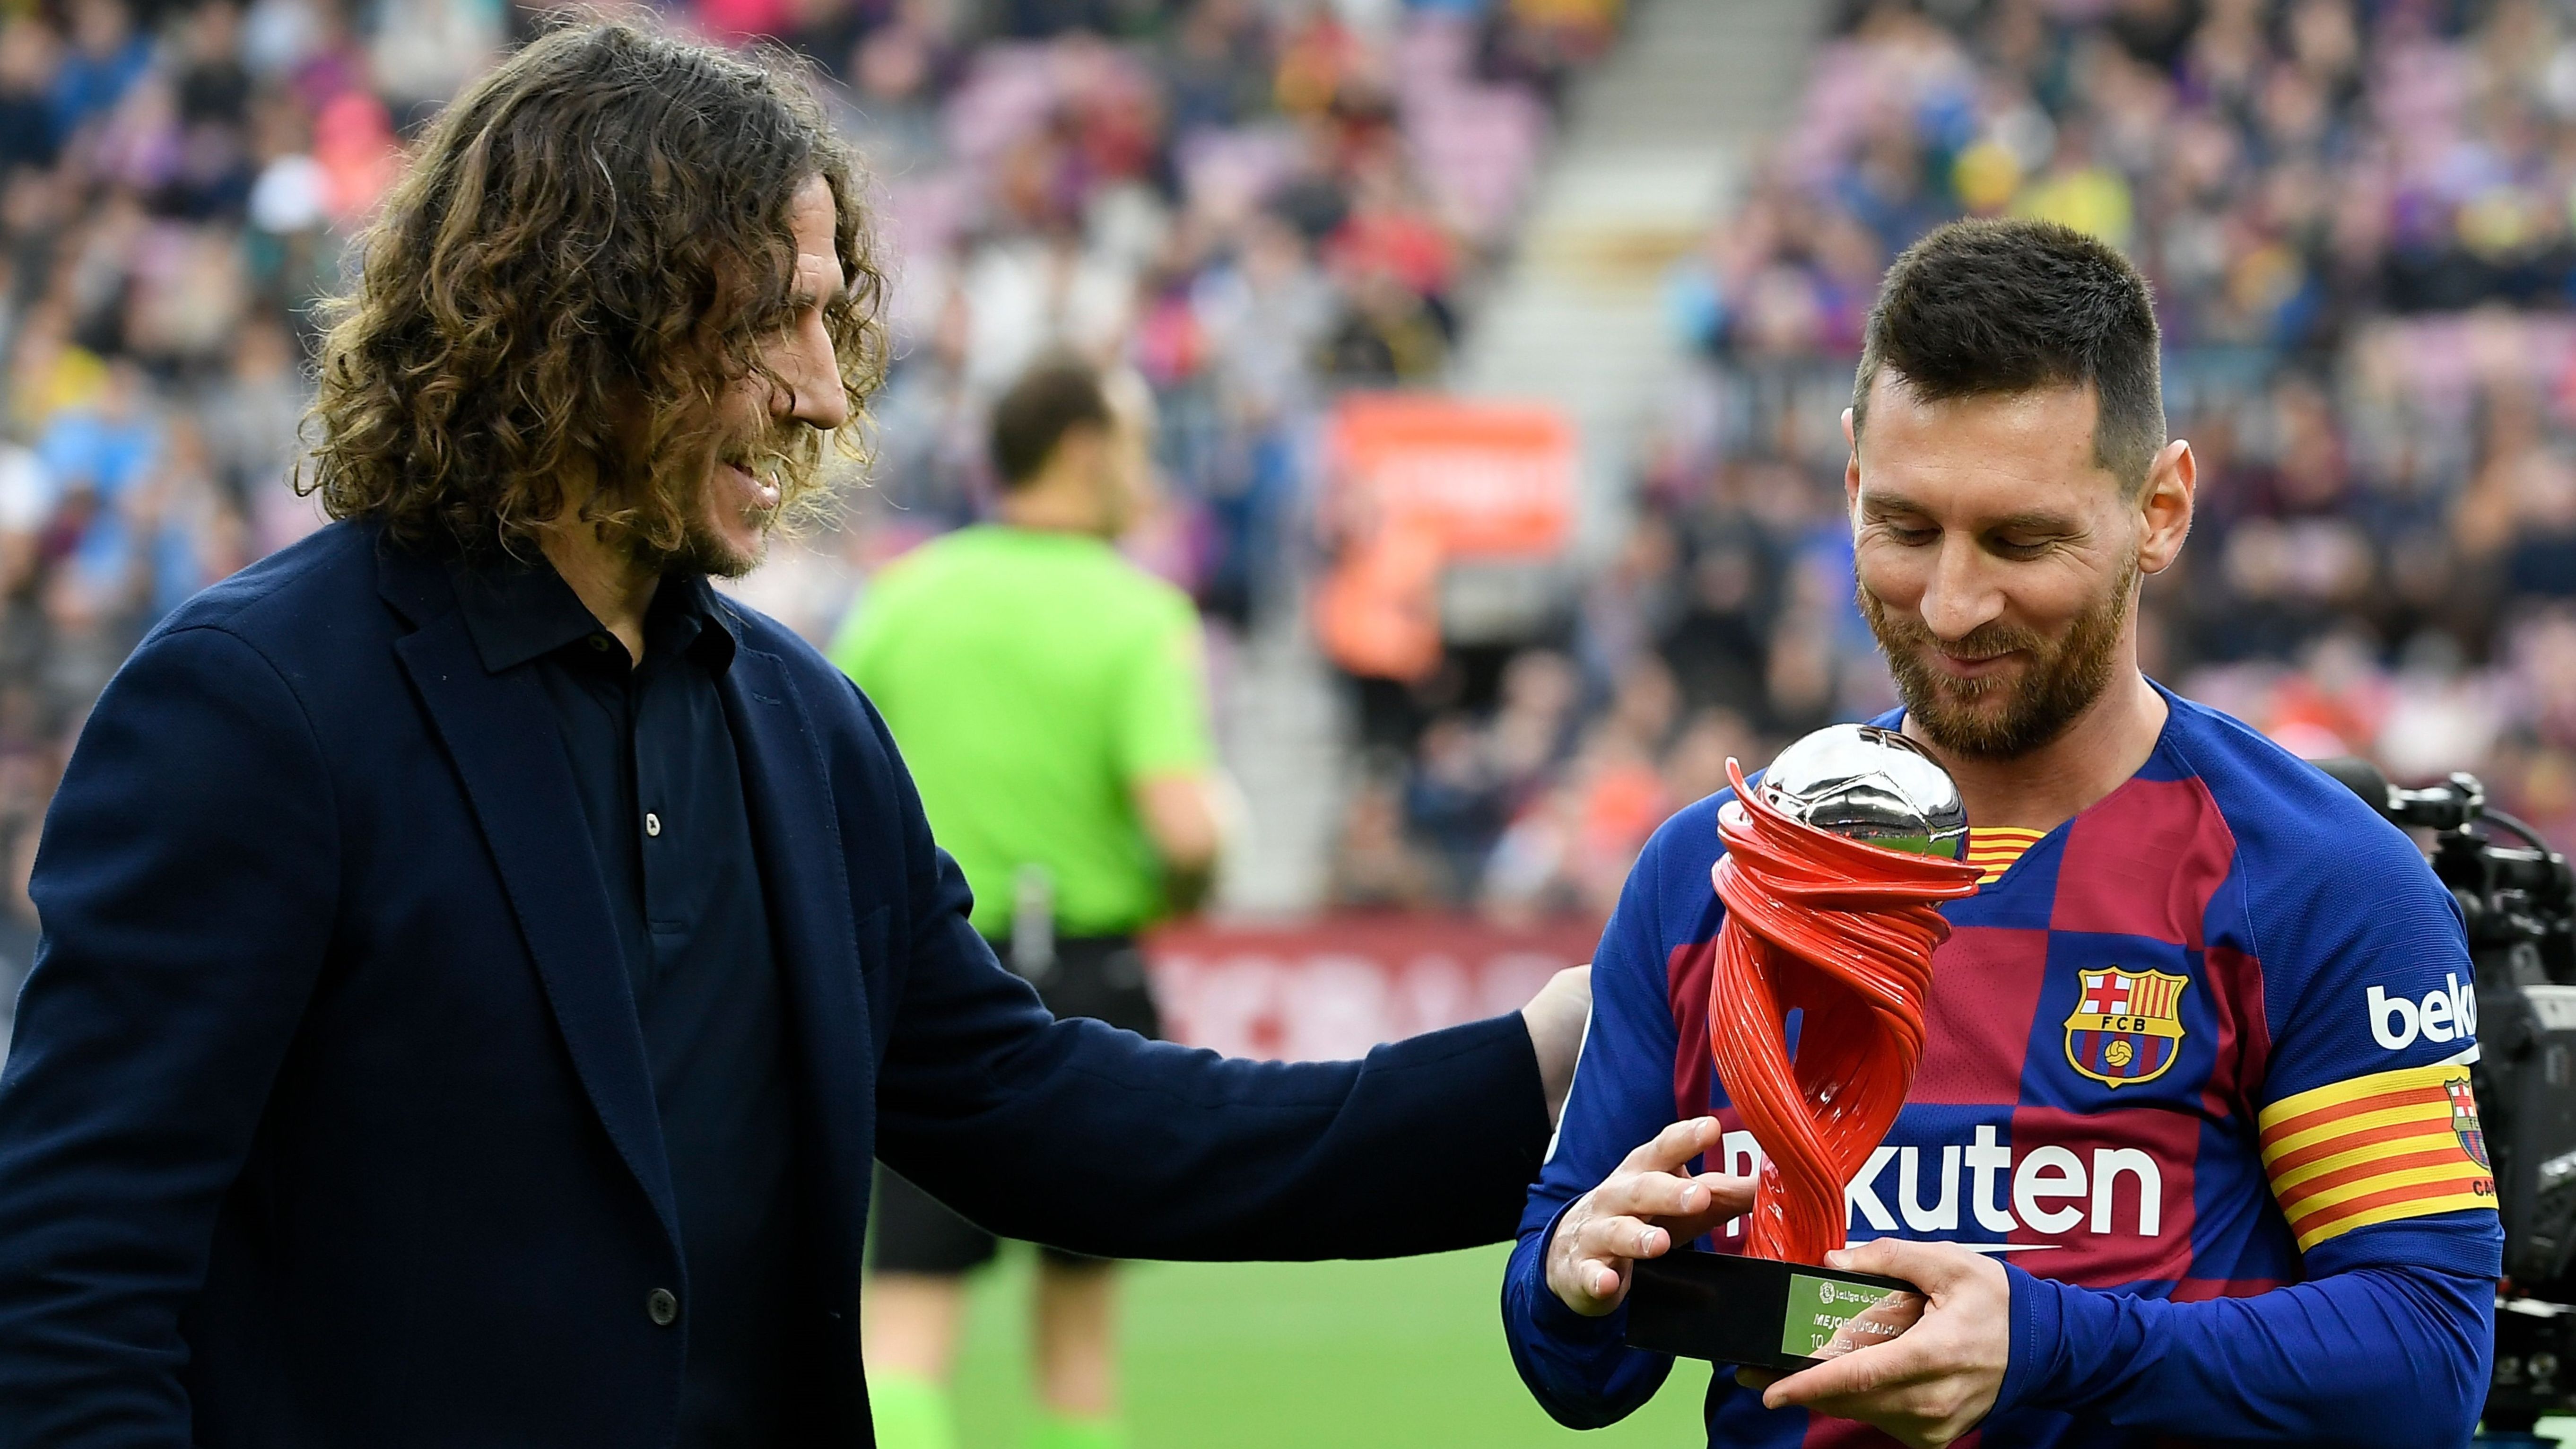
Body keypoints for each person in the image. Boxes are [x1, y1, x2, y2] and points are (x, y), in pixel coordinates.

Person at [0, 25, 1593, 1448]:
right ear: (584, 321)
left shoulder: (802, 724)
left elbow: (1049, 1115)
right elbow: (71, 1289)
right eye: (772, 324)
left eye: (835, 322)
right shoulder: (252, 705)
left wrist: (1526, 1075)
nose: (829, 396)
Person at [1502, 218, 2499, 1449]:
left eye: (2022, 541)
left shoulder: (2321, 881)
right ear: (1853, 478)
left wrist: (2044, 1342)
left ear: (2162, 510)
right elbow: (1573, 1371)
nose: (1954, 602)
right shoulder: (1709, 874)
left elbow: (2426, 1359)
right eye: (1909, 529)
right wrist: (1575, 1275)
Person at [828, 356, 1220, 1449]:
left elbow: (835, 780)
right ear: (1085, 449)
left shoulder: (905, 596)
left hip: (925, 974)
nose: (1148, 473)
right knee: (1079, 1342)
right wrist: (1195, 875)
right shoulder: (1137, 612)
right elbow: (1185, 829)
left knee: (903, 1315)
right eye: (1138, 444)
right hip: (1087, 976)